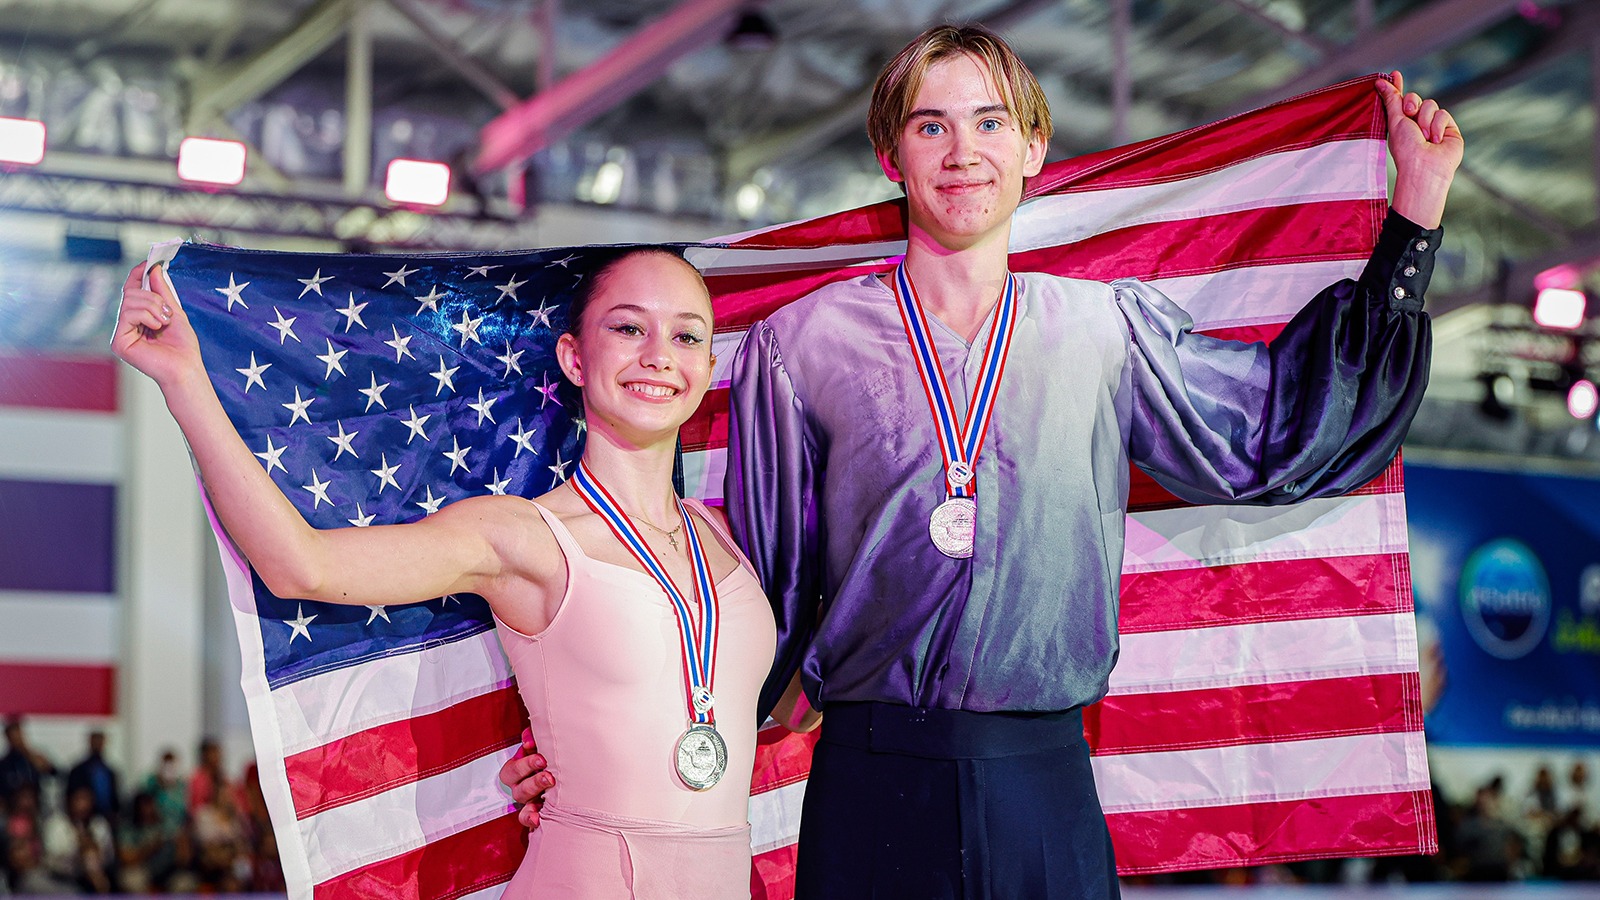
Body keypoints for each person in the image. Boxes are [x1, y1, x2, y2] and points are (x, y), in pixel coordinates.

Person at [503, 23, 1460, 897]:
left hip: (1042, 786)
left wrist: (1414, 217)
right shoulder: (802, 346)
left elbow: (1277, 428)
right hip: (872, 782)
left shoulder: (1104, 330)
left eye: (990, 122)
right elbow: (762, 610)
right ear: (892, 155)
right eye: (931, 127)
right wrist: (615, 758)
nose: (963, 152)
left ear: (1034, 148)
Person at [113, 246, 783, 897]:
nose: (659, 355)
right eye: (629, 327)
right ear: (575, 357)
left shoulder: (728, 533)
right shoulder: (520, 538)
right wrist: (184, 381)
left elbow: (801, 706)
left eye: (687, 336)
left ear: (709, 360)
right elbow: (302, 567)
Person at [65, 732, 120, 825]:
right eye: (95, 741)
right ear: (90, 742)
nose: (97, 744)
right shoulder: (78, 770)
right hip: (84, 817)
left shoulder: (109, 772)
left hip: (107, 817)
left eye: (100, 741)